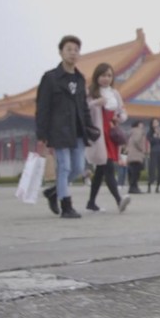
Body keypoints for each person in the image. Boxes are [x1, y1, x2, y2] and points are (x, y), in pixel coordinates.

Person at [35, 35, 95, 219]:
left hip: (77, 130)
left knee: (77, 168)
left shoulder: (80, 79)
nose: (73, 53)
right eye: (69, 49)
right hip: (59, 129)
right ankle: (66, 205)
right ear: (61, 52)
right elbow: (42, 107)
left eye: (76, 50)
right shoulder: (50, 78)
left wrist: (89, 127)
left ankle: (53, 192)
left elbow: (84, 106)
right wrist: (42, 134)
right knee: (65, 168)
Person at [84, 62, 131, 213]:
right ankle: (119, 200)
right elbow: (84, 110)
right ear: (97, 76)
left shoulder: (114, 93)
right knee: (108, 167)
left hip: (110, 134)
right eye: (103, 75)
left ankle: (91, 202)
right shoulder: (90, 93)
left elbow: (123, 111)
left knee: (100, 171)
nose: (106, 78)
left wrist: (120, 118)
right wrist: (96, 103)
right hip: (99, 135)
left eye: (109, 75)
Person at [126, 120, 148, 193]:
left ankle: (132, 187)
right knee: (136, 172)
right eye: (141, 124)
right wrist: (141, 149)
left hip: (130, 154)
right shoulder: (139, 131)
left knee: (132, 172)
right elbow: (137, 141)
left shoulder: (131, 132)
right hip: (137, 155)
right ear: (138, 125)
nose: (143, 126)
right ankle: (134, 187)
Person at [146, 118, 160, 193]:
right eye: (154, 122)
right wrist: (155, 135)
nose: (155, 124)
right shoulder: (150, 132)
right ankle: (149, 184)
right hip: (153, 151)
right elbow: (150, 141)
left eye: (157, 122)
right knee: (152, 168)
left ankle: (158, 186)